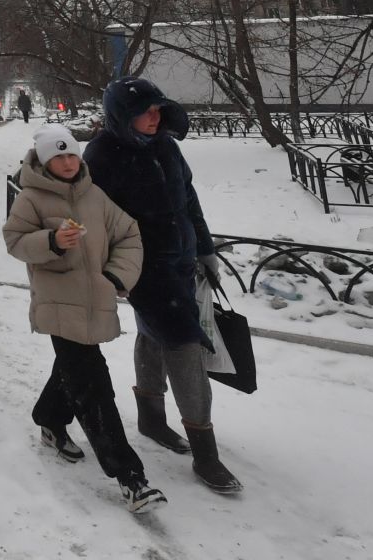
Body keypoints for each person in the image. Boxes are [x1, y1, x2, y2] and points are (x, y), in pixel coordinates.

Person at [84, 75, 243, 495]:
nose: (154, 118)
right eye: (144, 112)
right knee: (184, 344)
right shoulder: (101, 155)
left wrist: (205, 251)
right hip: (142, 267)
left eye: (158, 110)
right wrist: (110, 271)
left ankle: (151, 417)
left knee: (153, 335)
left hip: (183, 261)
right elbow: (94, 220)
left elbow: (189, 201)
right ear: (122, 115)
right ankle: (205, 452)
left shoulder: (167, 147)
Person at [4, 124, 164, 514]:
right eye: (58, 156)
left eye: (72, 154)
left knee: (73, 371)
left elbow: (129, 234)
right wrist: (52, 243)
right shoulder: (31, 199)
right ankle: (130, 478)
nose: (67, 162)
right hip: (59, 303)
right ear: (44, 160)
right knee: (93, 384)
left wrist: (116, 276)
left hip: (95, 300)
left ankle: (48, 419)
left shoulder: (95, 196)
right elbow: (14, 241)